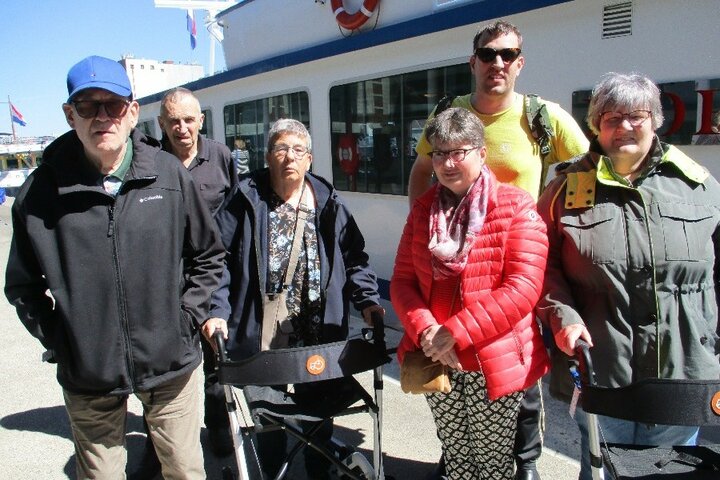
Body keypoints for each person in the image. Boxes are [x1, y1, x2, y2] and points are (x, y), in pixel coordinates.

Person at [4, 55, 225, 479]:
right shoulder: (41, 192)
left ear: (133, 112)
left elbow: (207, 255)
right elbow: (23, 286)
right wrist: (64, 340)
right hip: (90, 375)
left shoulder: (168, 175)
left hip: (170, 365)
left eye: (114, 105)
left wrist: (186, 319)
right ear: (70, 115)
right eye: (88, 106)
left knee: (184, 471)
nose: (102, 116)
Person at [408, 20, 589, 480]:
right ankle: (465, 462)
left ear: (519, 63)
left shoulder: (540, 116)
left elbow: (585, 168)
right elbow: (422, 169)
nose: (498, 63)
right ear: (474, 62)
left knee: (518, 379)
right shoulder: (449, 115)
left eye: (507, 55)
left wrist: (562, 223)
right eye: (488, 55)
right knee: (462, 398)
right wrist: (424, 223)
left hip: (516, 259)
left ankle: (523, 465)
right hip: (452, 262)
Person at [536, 72, 720, 480]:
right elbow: (539, 264)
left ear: (655, 119)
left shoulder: (699, 187)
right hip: (601, 365)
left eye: (635, 116)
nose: (623, 127)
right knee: (603, 470)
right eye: (610, 118)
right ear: (596, 127)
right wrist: (562, 317)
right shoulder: (564, 189)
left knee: (671, 470)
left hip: (682, 366)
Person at [208, 118, 385, 479]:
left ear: (310, 159)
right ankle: (271, 469)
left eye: (298, 150)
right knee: (268, 413)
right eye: (280, 148)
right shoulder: (244, 198)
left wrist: (366, 300)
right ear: (268, 156)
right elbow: (217, 260)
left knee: (320, 412)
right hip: (263, 333)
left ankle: (320, 470)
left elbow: (355, 257)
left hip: (320, 331)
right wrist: (216, 311)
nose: (289, 157)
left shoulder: (329, 202)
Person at [392, 107, 550, 480]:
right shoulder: (423, 210)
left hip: (488, 358)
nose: (448, 162)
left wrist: (455, 332)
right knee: (456, 454)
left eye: (458, 152)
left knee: (492, 463)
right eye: (440, 153)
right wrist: (427, 330)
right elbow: (402, 281)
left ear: (481, 152)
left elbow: (523, 288)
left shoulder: (515, 207)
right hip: (434, 353)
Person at [157, 86, 238, 458]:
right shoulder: (152, 160)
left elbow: (237, 211)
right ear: (161, 123)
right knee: (166, 363)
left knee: (216, 354)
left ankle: (219, 426)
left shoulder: (220, 157)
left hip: (214, 273)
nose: (182, 128)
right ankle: (163, 440)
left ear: (201, 120)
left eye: (189, 119)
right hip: (166, 277)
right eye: (173, 120)